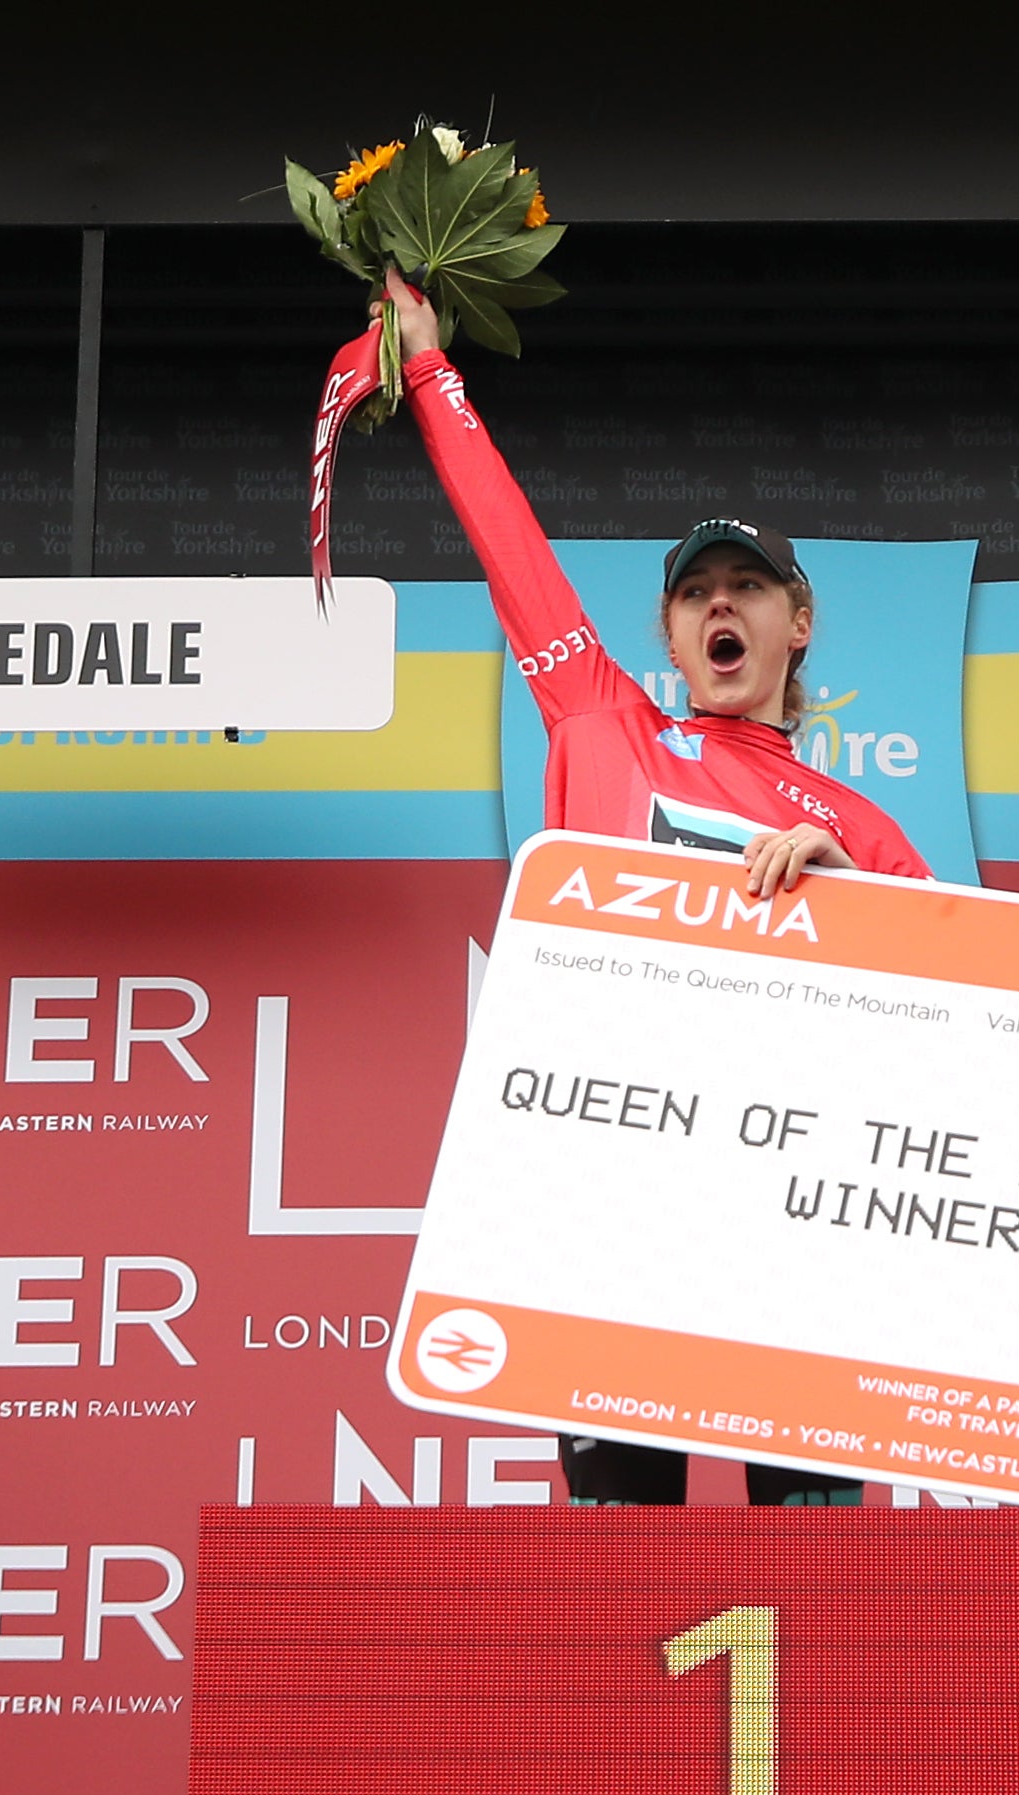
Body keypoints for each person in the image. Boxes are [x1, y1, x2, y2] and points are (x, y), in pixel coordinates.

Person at [372, 266, 929, 1507]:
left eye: (746, 590)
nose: (717, 605)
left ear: (801, 623)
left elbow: (960, 1026)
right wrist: (427, 370)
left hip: (799, 1218)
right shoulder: (601, 725)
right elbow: (509, 545)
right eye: (693, 594)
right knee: (621, 1570)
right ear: (671, 637)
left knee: (813, 1566)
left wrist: (862, 903)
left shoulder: (866, 830)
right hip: (613, 1202)